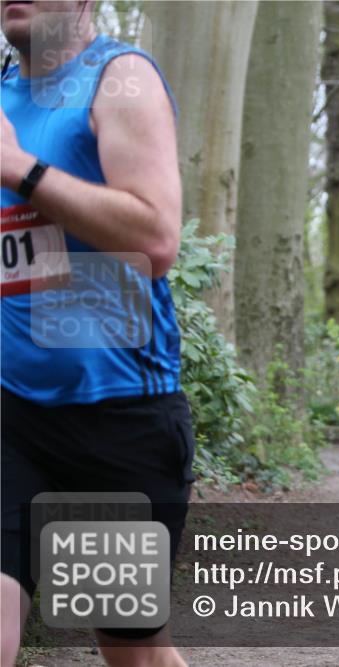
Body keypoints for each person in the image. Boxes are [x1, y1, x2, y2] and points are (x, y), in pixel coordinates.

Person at [1, 3, 190, 666]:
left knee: (131, 653)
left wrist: (18, 166)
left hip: (118, 417)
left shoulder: (119, 78)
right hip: (12, 412)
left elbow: (155, 237)